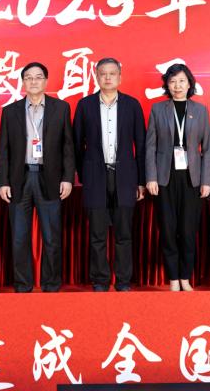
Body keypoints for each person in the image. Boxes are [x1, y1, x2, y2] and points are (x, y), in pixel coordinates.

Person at [0, 62, 75, 293]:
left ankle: (51, 285)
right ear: (23, 82)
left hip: (49, 179)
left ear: (46, 81)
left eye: (38, 77)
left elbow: (68, 147)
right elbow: (4, 151)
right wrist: (3, 182)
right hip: (19, 179)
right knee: (19, 238)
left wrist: (67, 178)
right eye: (28, 77)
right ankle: (23, 286)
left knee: (52, 238)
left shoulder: (61, 108)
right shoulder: (10, 111)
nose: (33, 81)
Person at [73, 57, 146, 292]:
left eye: (112, 73)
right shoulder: (85, 105)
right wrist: (83, 174)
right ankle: (100, 281)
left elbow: (141, 146)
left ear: (120, 77)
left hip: (125, 177)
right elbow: (76, 144)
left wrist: (141, 181)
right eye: (103, 73)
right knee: (97, 235)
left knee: (124, 234)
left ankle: (123, 281)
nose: (107, 77)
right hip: (95, 177)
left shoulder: (132, 105)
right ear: (96, 77)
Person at [145, 63, 210, 292]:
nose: (177, 86)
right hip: (164, 178)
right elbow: (150, 146)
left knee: (187, 231)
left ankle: (185, 276)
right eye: (173, 81)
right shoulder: (158, 110)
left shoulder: (200, 111)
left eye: (182, 81)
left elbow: (208, 149)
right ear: (167, 84)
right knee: (167, 230)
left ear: (189, 83)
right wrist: (151, 177)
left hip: (192, 179)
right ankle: (173, 278)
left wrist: (207, 181)